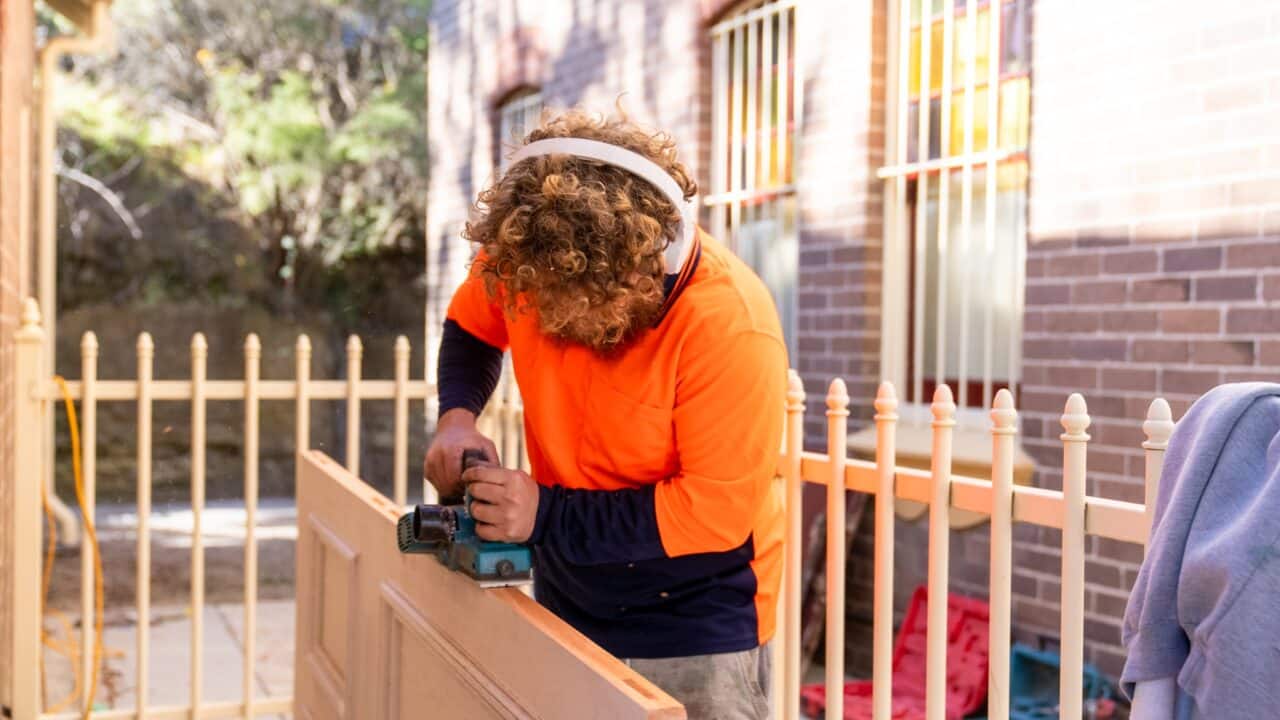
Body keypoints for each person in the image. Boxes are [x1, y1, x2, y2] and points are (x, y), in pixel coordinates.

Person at [424, 107, 787, 720]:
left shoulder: (729, 324)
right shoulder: (532, 260)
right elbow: (472, 323)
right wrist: (457, 416)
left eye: (581, 306)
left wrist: (543, 512)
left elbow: (713, 514)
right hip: (570, 596)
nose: (561, 323)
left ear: (649, 264)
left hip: (695, 626)